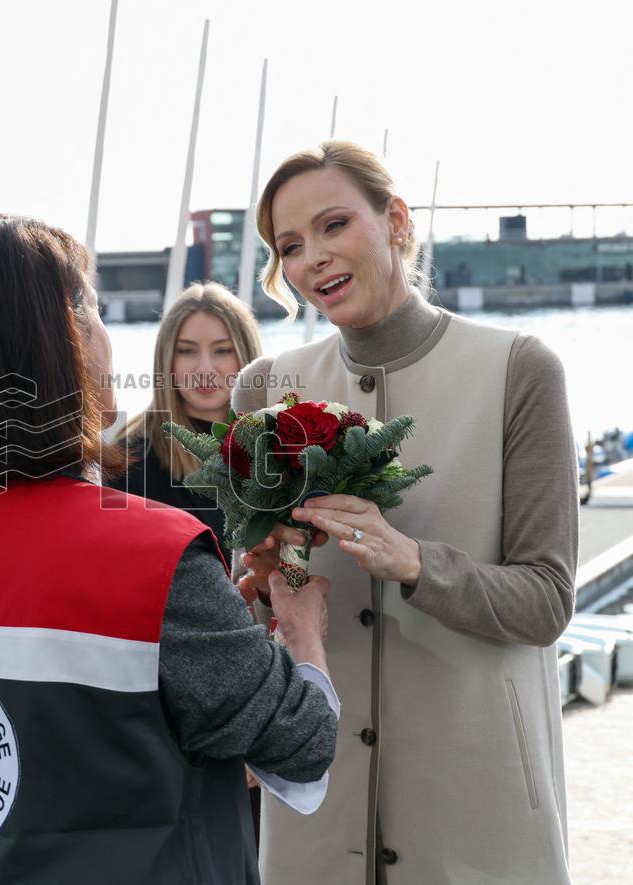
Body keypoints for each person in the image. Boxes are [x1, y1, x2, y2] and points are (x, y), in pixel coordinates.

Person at [0, 215, 339, 885]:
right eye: (96, 310)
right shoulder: (155, 557)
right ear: (66, 342)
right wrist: (303, 629)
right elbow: (301, 742)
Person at [234, 141, 577, 884]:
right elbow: (256, 589)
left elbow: (548, 599)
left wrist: (415, 563)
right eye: (289, 246)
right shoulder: (264, 389)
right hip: (314, 808)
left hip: (475, 805)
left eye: (333, 224)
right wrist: (255, 579)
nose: (313, 258)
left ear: (395, 219)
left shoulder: (519, 370)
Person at [108, 281, 262, 566]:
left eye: (222, 350)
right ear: (166, 361)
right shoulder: (129, 462)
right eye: (187, 351)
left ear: (247, 356)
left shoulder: (278, 447)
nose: (204, 369)